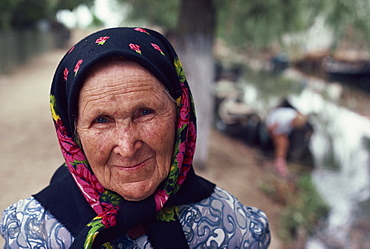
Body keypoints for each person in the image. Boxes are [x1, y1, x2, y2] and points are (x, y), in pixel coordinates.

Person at [0, 27, 270, 248]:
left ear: (180, 116)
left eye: (145, 112)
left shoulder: (231, 224)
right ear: (73, 137)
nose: (127, 147)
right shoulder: (32, 231)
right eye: (101, 120)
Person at [265, 106, 307, 177]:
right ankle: (279, 164)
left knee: (285, 144)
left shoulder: (294, 118)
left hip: (279, 130)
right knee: (282, 144)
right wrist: (276, 138)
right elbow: (271, 129)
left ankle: (280, 162)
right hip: (271, 126)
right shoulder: (283, 120)